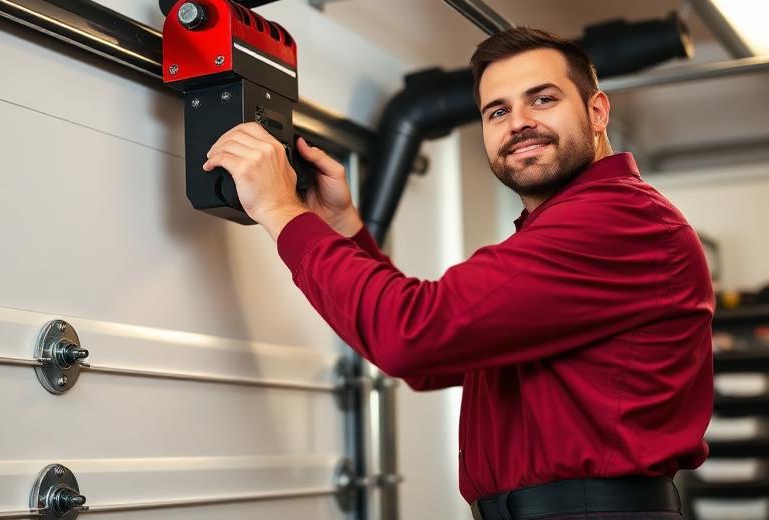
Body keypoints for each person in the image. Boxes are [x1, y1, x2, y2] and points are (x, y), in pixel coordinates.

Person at [202, 27, 714, 520]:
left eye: (542, 99)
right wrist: (338, 228)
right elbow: (434, 361)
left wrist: (280, 210)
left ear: (596, 110)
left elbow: (413, 335)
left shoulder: (615, 219)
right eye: (498, 110)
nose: (518, 123)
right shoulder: (572, 228)